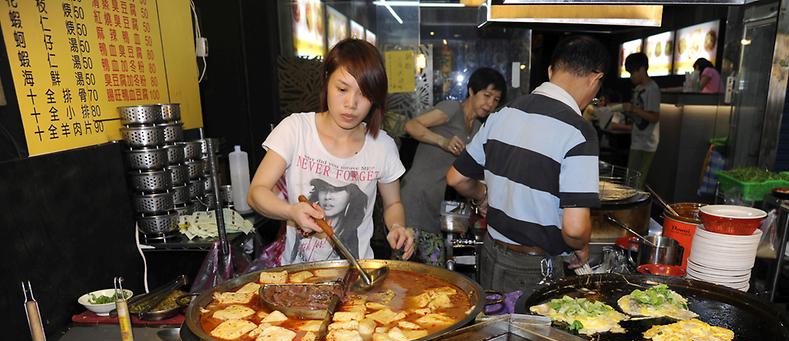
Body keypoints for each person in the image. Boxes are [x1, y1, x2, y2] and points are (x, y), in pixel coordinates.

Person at [446, 35, 608, 293]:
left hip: (491, 255)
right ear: (594, 79)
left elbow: (456, 178)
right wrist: (579, 245)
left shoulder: (502, 114)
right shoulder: (579, 132)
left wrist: (482, 195)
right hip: (535, 270)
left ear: (551, 71)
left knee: (493, 331)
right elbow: (575, 229)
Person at [248, 39, 414, 264]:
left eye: (363, 94)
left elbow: (393, 204)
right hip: (299, 276)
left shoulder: (382, 146)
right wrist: (291, 212)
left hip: (357, 275)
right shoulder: (296, 129)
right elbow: (256, 192)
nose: (351, 104)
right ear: (326, 81)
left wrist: (397, 226)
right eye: (342, 89)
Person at [401, 68, 507, 266]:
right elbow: (411, 125)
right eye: (487, 95)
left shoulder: (476, 129)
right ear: (471, 91)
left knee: (433, 274)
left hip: (437, 207)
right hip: (415, 199)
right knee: (406, 269)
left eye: (496, 100)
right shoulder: (451, 109)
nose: (490, 103)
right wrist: (442, 141)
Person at [621, 52, 660, 191]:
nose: (631, 77)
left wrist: (633, 109)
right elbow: (637, 114)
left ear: (642, 69)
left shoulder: (653, 89)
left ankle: (634, 212)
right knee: (630, 181)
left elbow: (655, 117)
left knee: (638, 182)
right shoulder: (638, 89)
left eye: (633, 73)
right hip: (637, 139)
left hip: (648, 143)